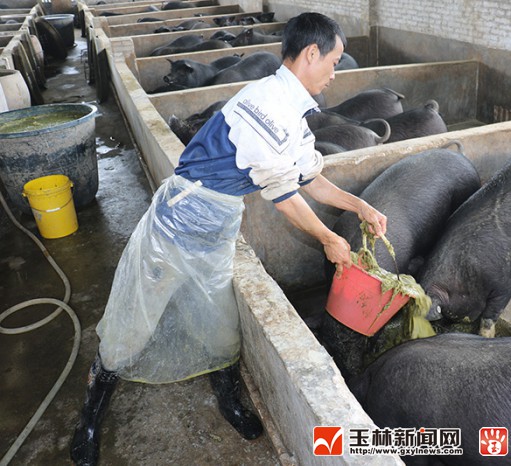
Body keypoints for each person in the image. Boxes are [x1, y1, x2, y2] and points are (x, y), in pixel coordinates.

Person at [70, 12, 387, 465]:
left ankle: (229, 401)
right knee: (131, 324)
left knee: (219, 326)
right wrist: (326, 239)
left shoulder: (293, 109)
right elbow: (284, 195)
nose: (336, 72)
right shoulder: (268, 106)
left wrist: (361, 207)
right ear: (311, 54)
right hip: (177, 227)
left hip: (217, 227)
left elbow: (308, 177)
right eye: (334, 61)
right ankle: (88, 417)